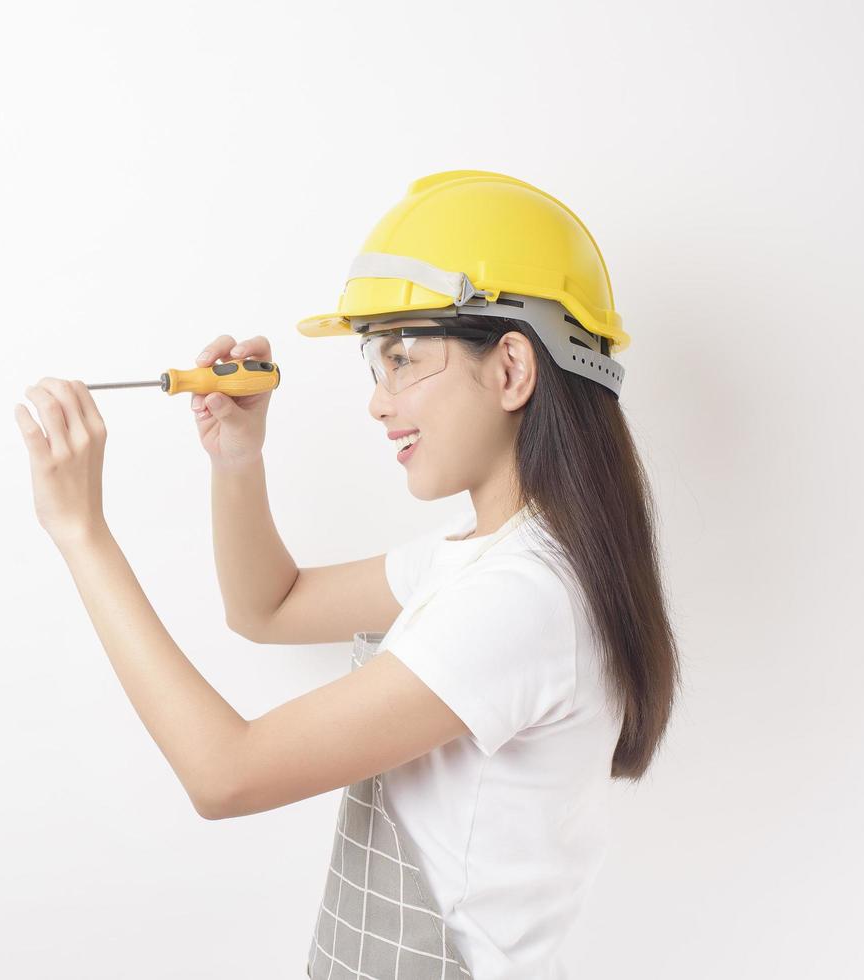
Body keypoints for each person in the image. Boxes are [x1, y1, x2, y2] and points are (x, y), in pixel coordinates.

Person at [189, 171, 680, 978]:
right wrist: (237, 460)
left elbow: (223, 774)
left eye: (403, 358)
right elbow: (267, 608)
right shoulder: (478, 556)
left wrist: (79, 532)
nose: (378, 404)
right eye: (374, 366)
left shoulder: (524, 598)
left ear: (512, 369)